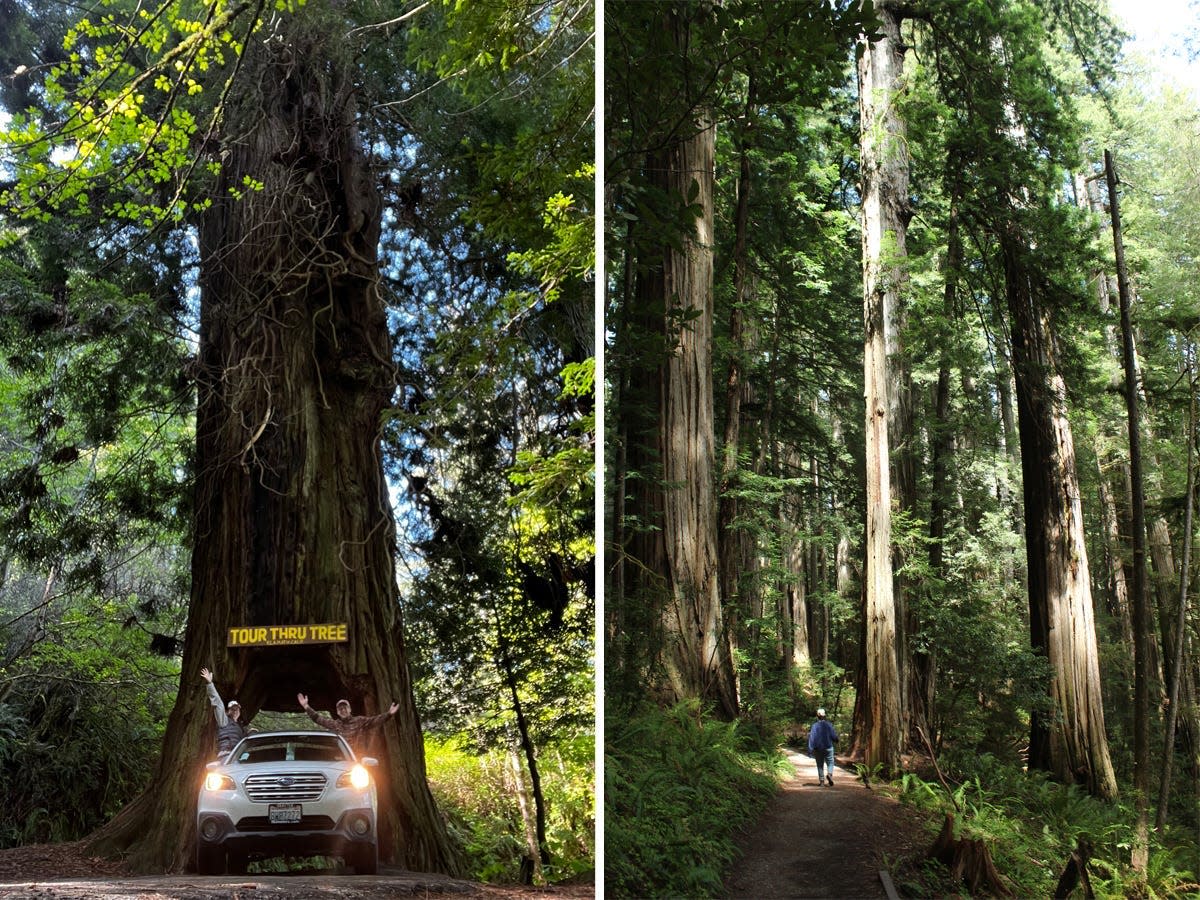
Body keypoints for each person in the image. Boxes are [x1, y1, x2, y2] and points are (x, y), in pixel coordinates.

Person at [296, 692, 400, 756]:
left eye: (345, 708)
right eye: (340, 709)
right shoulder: (334, 724)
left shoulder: (360, 721)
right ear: (337, 712)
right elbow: (318, 718)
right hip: (341, 760)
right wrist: (306, 706)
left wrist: (389, 714)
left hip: (358, 760)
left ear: (349, 709)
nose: (343, 710)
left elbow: (375, 720)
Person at [201, 667, 246, 757]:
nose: (235, 711)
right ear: (227, 711)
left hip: (237, 757)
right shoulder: (224, 721)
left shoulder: (240, 727)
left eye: (237, 709)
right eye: (232, 709)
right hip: (226, 755)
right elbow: (218, 703)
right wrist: (210, 683)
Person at [808, 707, 838, 786]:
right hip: (828, 747)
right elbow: (833, 735)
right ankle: (830, 774)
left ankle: (821, 782)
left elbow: (812, 738)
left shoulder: (814, 726)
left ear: (817, 716)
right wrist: (836, 740)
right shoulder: (829, 725)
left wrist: (810, 750)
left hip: (818, 749)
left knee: (820, 764)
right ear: (824, 716)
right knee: (830, 762)